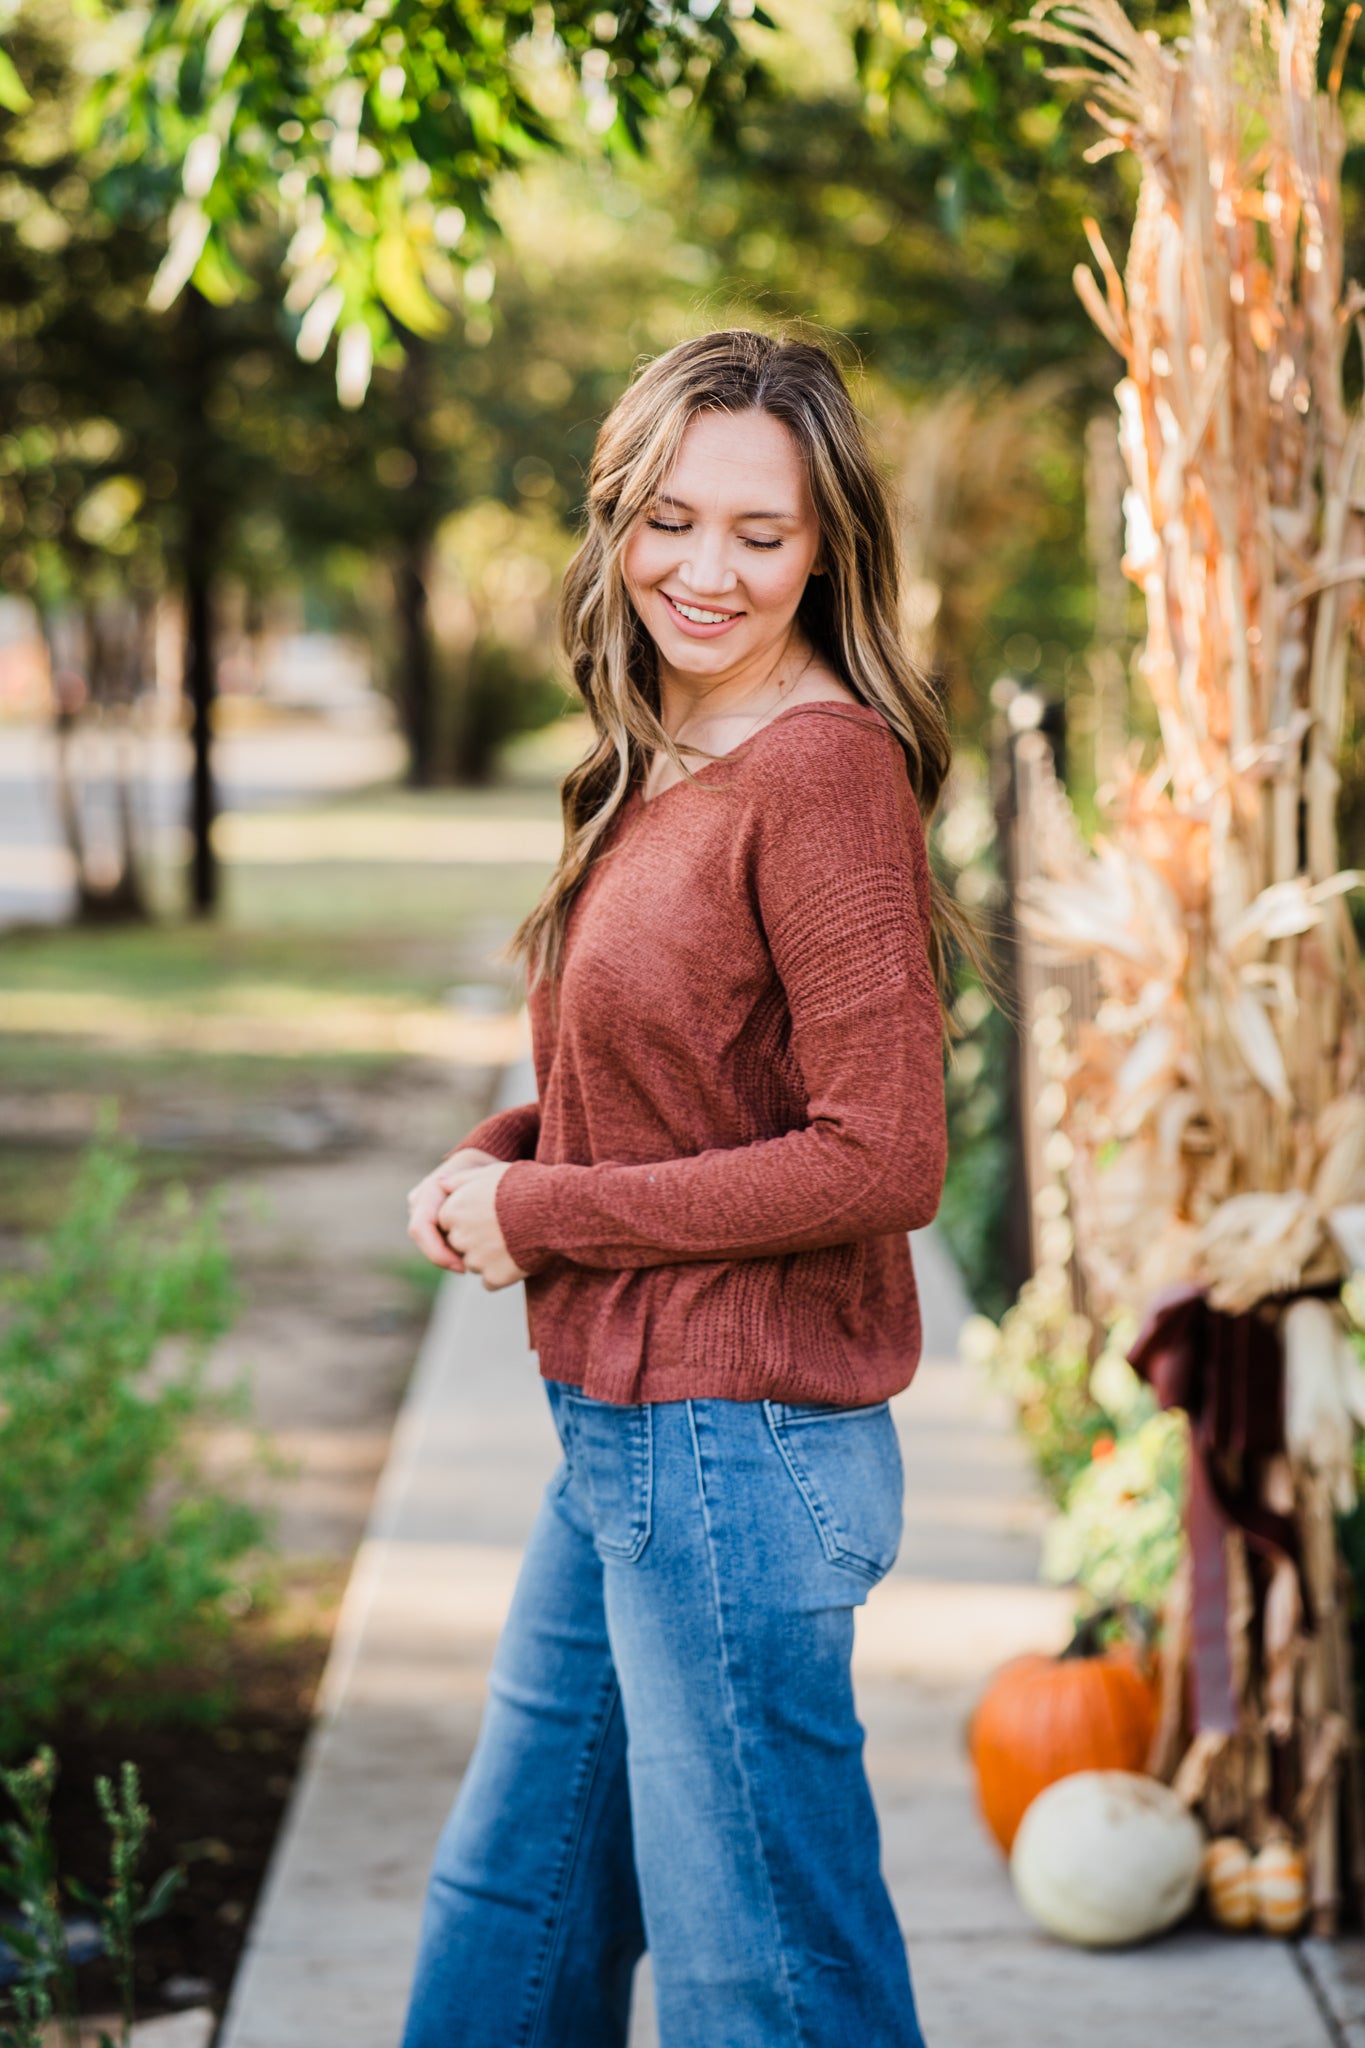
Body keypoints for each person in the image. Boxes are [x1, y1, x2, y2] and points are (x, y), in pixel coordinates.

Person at [401, 328, 961, 2048]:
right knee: (513, 1920)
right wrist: (503, 1156)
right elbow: (681, 1085)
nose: (701, 571)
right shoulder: (666, 755)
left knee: (765, 1987)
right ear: (615, 518)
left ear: (826, 549)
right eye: (667, 519)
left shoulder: (821, 768)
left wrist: (547, 1218)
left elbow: (885, 1151)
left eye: (758, 534)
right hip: (629, 1433)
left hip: (739, 1443)